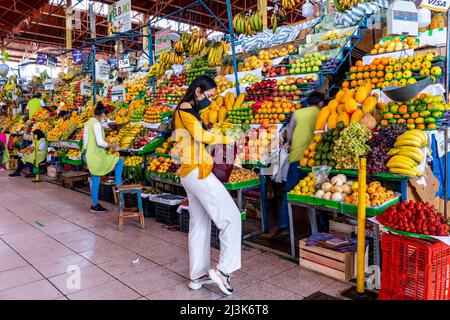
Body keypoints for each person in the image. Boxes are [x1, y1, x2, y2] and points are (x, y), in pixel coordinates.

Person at [172, 75, 241, 295]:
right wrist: (227, 139)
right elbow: (200, 135)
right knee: (231, 217)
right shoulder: (185, 108)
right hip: (197, 172)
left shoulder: (189, 110)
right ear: (198, 92)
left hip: (190, 172)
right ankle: (224, 271)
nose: (210, 101)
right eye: (208, 96)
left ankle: (197, 276)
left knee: (200, 224)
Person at [272, 92, 327, 240]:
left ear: (308, 102)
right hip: (314, 158)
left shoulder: (297, 112)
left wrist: (289, 143)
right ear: (321, 103)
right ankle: (323, 225)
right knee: (321, 192)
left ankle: (284, 226)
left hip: (296, 157)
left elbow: (289, 132)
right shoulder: (323, 112)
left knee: (289, 192)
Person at [83, 102, 123, 213]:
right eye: (105, 115)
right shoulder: (96, 124)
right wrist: (112, 145)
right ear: (102, 114)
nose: (105, 117)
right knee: (119, 160)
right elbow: (100, 142)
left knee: (96, 179)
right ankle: (119, 185)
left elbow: (86, 141)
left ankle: (95, 205)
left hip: (89, 154)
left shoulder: (88, 123)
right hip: (95, 155)